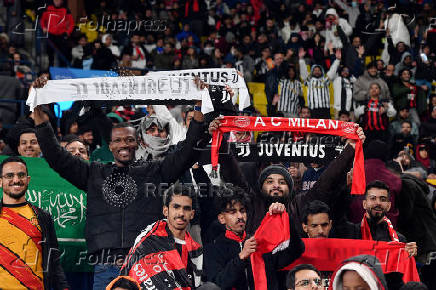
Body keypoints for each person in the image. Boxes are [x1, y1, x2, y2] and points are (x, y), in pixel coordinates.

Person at [31, 76, 207, 288]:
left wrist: (199, 107)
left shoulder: (155, 171)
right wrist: (39, 113)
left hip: (148, 262)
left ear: (138, 142)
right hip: (106, 265)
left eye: (129, 139)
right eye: (117, 140)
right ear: (110, 146)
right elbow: (56, 156)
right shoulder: (94, 173)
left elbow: (188, 153)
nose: (123, 144)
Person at [204, 185, 304, 290]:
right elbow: (218, 284)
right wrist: (241, 257)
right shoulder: (213, 249)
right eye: (233, 212)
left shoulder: (261, 242)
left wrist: (286, 219)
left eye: (242, 211)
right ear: (222, 218)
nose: (240, 216)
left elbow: (296, 250)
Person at [0, 156, 69, 289]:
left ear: (28, 179)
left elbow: (53, 261)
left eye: (21, 175)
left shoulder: (43, 217)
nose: (16, 180)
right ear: (0, 181)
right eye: (9, 175)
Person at [119, 186, 203, 289]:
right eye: (176, 207)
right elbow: (126, 280)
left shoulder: (196, 250)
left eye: (186, 208)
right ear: (165, 211)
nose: (181, 213)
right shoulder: (148, 241)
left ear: (192, 214)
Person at [298, 48, 341, 119]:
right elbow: (303, 73)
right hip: (313, 109)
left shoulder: (325, 80)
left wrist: (337, 60)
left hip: (325, 109)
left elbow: (332, 72)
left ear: (322, 72)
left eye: (319, 70)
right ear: (312, 72)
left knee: (325, 129)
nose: (317, 71)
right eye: (315, 70)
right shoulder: (309, 81)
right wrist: (301, 59)